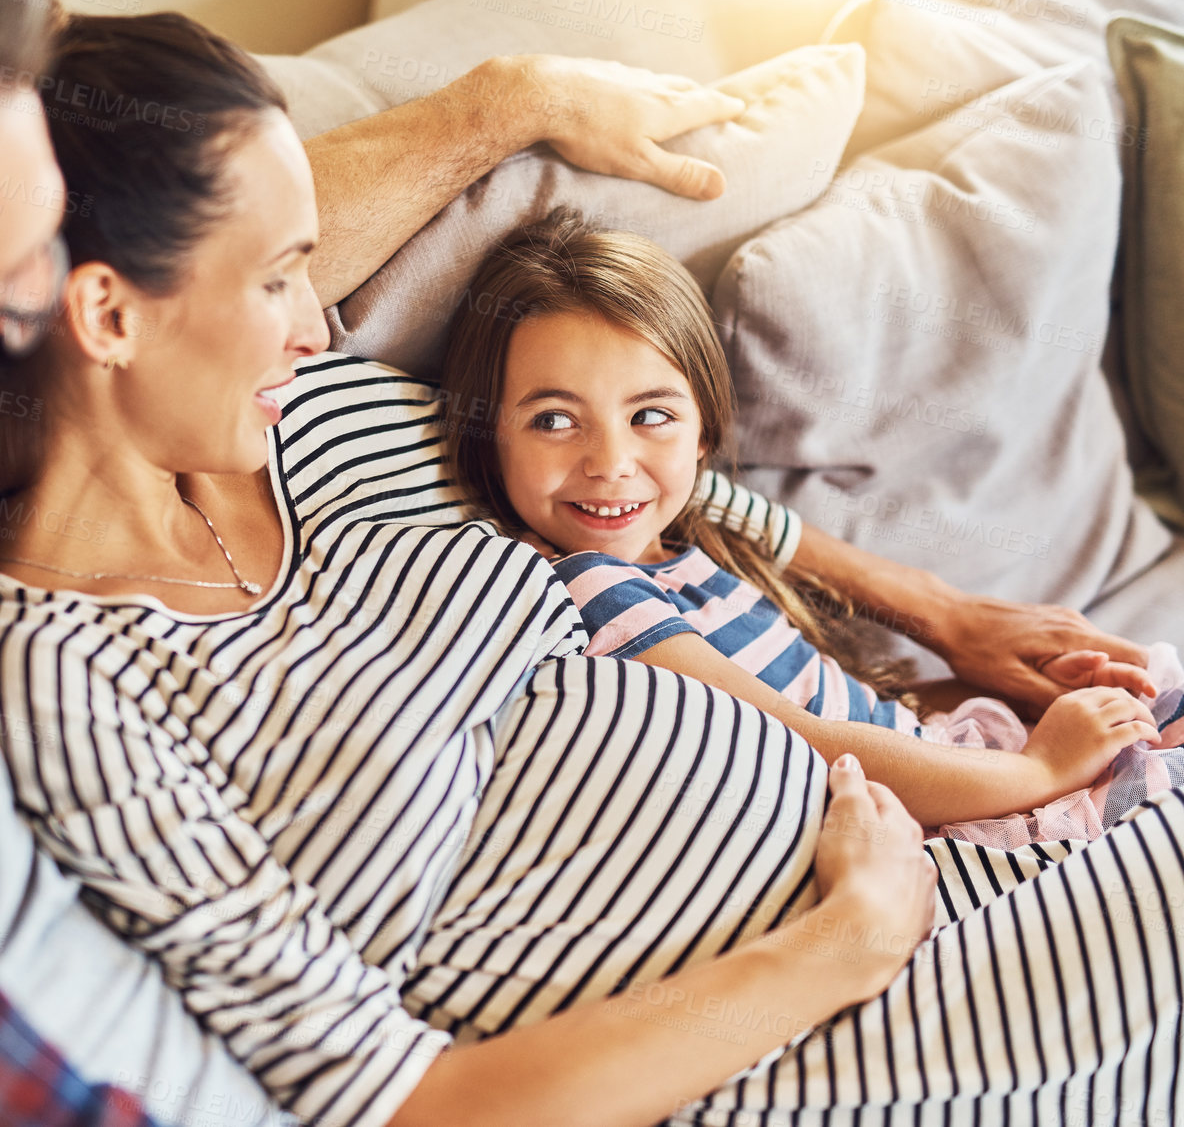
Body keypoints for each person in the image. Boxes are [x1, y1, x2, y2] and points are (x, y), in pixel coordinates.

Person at [0, 0, 946, 1127]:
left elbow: (170, 286)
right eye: (2, 279)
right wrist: (841, 948)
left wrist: (497, 105)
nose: (42, 318)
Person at [0, 11, 1184, 1127]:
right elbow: (403, 1109)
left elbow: (630, 476)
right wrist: (849, 941)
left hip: (996, 861)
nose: (315, 314)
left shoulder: (309, 418)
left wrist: (939, 611)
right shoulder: (63, 682)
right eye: (280, 279)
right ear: (109, 318)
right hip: (853, 1031)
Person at [436, 210, 1184, 847]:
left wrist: (1030, 711)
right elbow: (803, 745)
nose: (611, 463)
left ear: (702, 433)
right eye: (554, 420)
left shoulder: (694, 552)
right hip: (943, 824)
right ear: (486, 433)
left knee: (1163, 691)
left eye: (652, 415)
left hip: (960, 758)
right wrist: (1042, 770)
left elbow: (856, 711)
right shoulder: (594, 586)